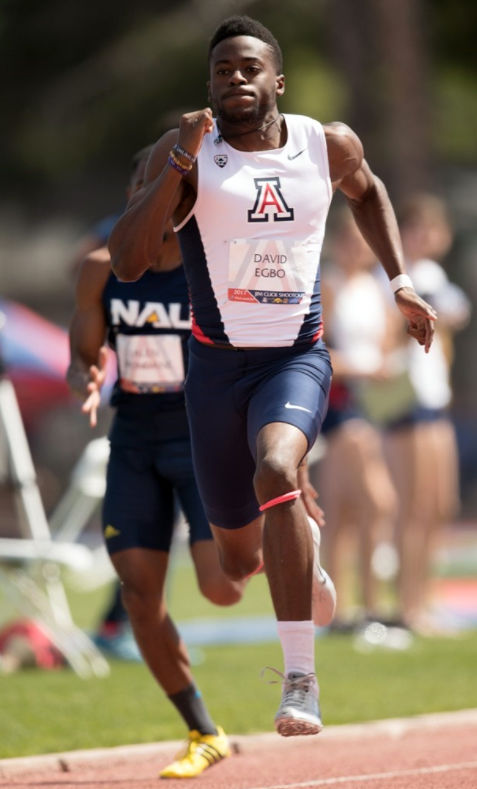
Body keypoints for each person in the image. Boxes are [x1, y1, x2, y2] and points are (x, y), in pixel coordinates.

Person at [108, 16, 437, 737]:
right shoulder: (188, 153)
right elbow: (128, 260)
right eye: (222, 69)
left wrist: (401, 280)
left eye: (248, 67)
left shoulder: (326, 143)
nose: (235, 78)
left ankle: (299, 676)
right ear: (209, 85)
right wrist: (175, 164)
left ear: (276, 80)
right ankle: (299, 556)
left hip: (294, 357)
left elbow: (367, 190)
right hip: (214, 371)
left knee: (278, 463)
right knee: (231, 566)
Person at [67, 146, 249, 778]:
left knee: (222, 590)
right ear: (131, 194)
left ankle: (284, 536)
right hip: (136, 443)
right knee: (140, 595)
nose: (157, 200)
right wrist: (88, 375)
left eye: (172, 189)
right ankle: (203, 730)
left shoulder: (213, 269)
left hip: (204, 442)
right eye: (146, 186)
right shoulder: (100, 270)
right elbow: (82, 352)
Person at [379, 193, 471, 634]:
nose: (427, 236)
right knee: (412, 508)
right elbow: (390, 332)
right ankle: (407, 606)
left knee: (439, 505)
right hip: (405, 399)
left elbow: (456, 316)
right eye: (418, 227)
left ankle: (425, 599)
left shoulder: (433, 274)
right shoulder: (397, 278)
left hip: (435, 398)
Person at [311, 208, 397, 627]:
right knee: (373, 503)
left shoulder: (374, 287)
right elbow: (314, 349)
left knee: (346, 509)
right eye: (350, 240)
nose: (356, 249)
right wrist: (362, 367)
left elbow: (385, 346)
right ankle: (359, 609)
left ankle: (351, 610)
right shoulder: (327, 283)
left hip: (370, 402)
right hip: (339, 401)